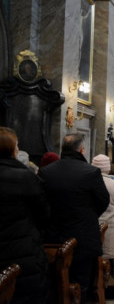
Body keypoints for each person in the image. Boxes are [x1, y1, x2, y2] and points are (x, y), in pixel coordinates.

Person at [39, 133, 110, 302]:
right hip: (83, 237)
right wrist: (87, 216)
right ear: (82, 150)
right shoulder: (91, 172)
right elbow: (102, 201)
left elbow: (41, 203)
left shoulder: (45, 172)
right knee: (82, 282)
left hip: (53, 236)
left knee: (55, 283)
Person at [0, 127, 48, 303]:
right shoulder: (25, 177)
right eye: (17, 145)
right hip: (21, 247)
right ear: (11, 149)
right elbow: (43, 214)